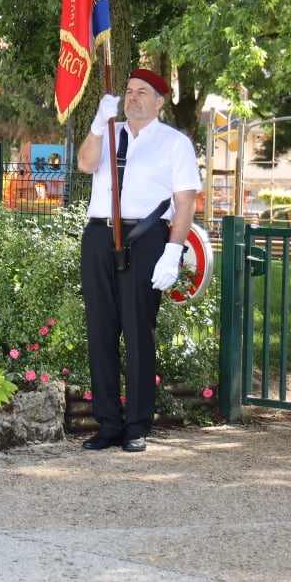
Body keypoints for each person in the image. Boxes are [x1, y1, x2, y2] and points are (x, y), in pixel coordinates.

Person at [75, 69, 200, 452]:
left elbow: (185, 201)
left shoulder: (174, 143)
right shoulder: (109, 133)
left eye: (142, 92)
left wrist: (173, 250)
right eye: (129, 91)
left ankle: (137, 424)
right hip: (100, 234)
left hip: (144, 239)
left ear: (159, 102)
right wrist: (98, 125)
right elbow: (84, 163)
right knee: (101, 332)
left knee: (138, 333)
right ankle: (109, 422)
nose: (133, 97)